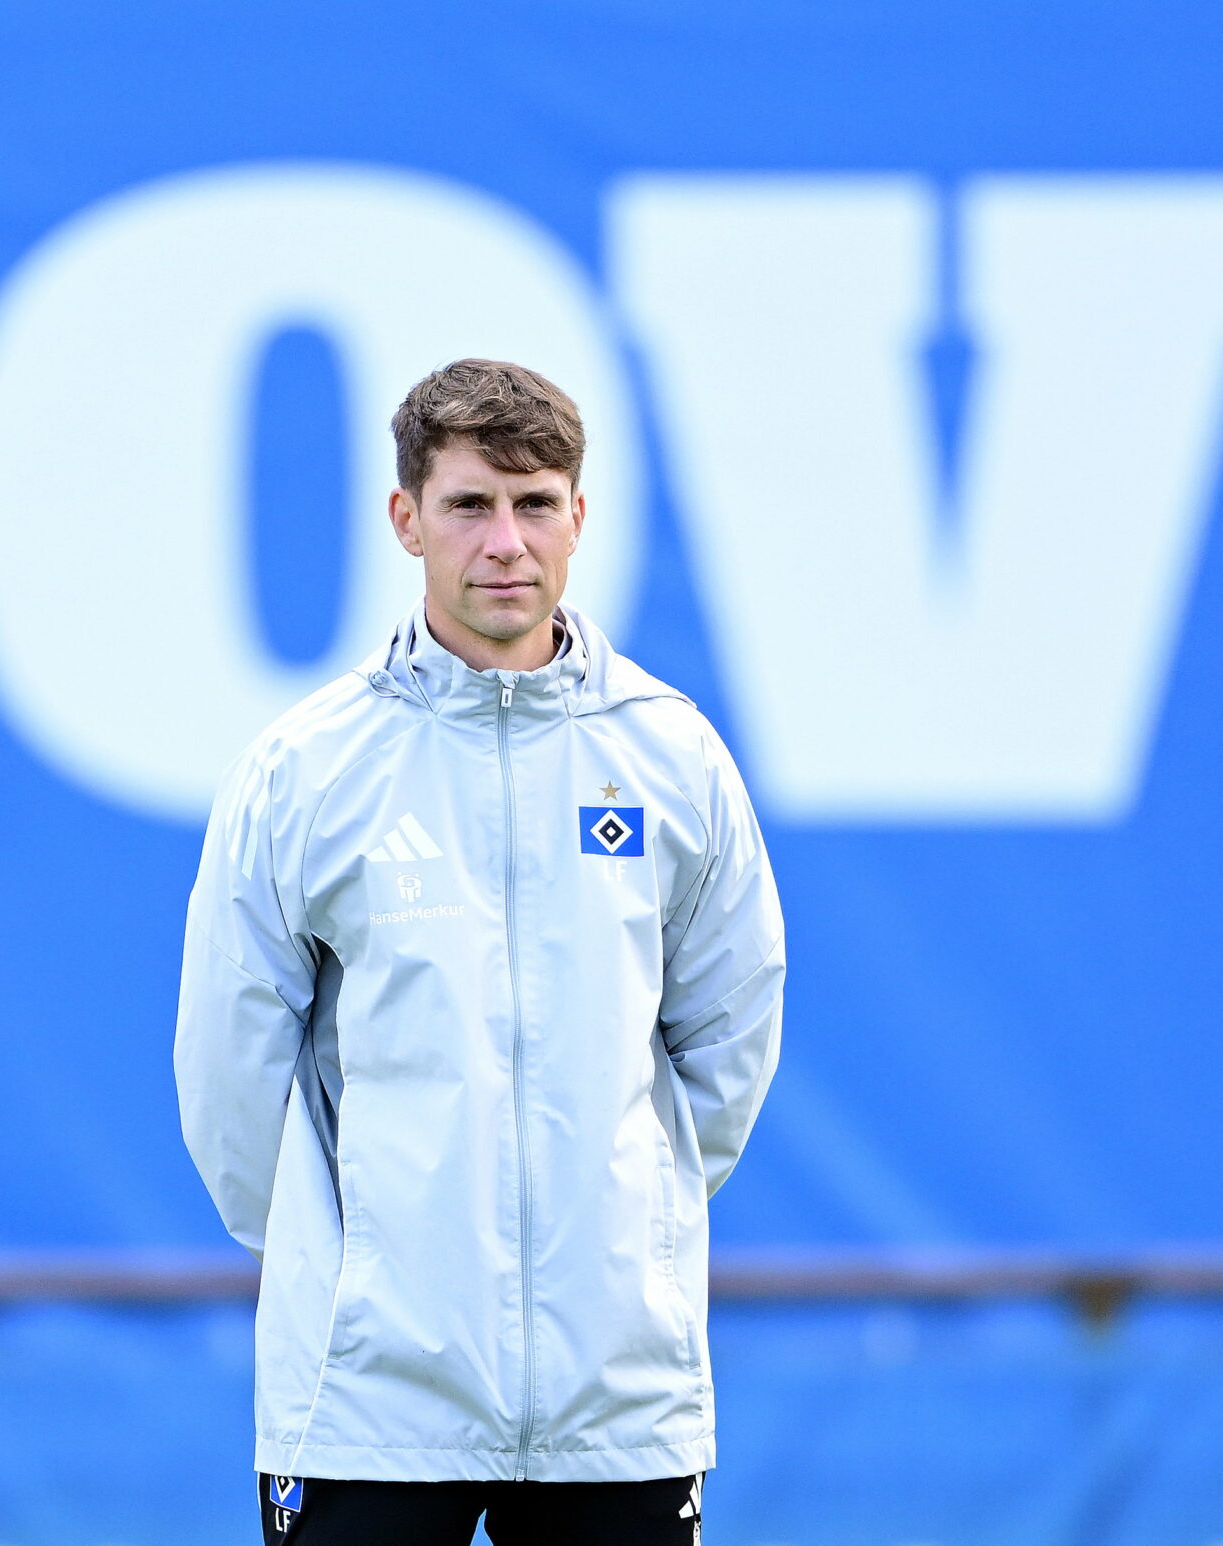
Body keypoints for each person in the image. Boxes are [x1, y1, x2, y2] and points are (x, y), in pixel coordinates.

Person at [175, 358, 785, 1545]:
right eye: (468, 504)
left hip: (617, 1400)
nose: (505, 541)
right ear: (406, 519)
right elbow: (229, 1080)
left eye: (535, 501)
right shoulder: (306, 770)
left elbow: (729, 1039)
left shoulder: (673, 758)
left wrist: (619, 1227)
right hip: (367, 1402)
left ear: (579, 517)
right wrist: (351, 1274)